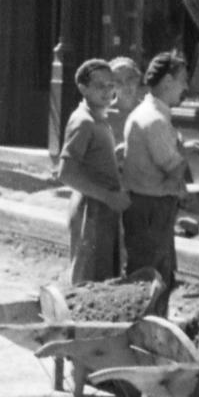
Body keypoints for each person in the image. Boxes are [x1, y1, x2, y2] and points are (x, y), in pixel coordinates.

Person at [121, 52, 196, 286]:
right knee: (154, 278)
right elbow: (174, 169)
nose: (186, 86)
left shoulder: (148, 114)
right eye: (183, 79)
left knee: (150, 274)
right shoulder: (155, 120)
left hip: (146, 207)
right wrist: (182, 154)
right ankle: (151, 322)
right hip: (152, 209)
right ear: (167, 82)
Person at [58, 58, 130, 286]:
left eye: (111, 85)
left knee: (105, 276)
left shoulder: (99, 118)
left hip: (103, 210)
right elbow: (66, 172)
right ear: (83, 88)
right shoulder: (84, 121)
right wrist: (109, 196)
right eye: (100, 86)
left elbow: (91, 160)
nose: (108, 92)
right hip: (92, 211)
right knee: (88, 280)